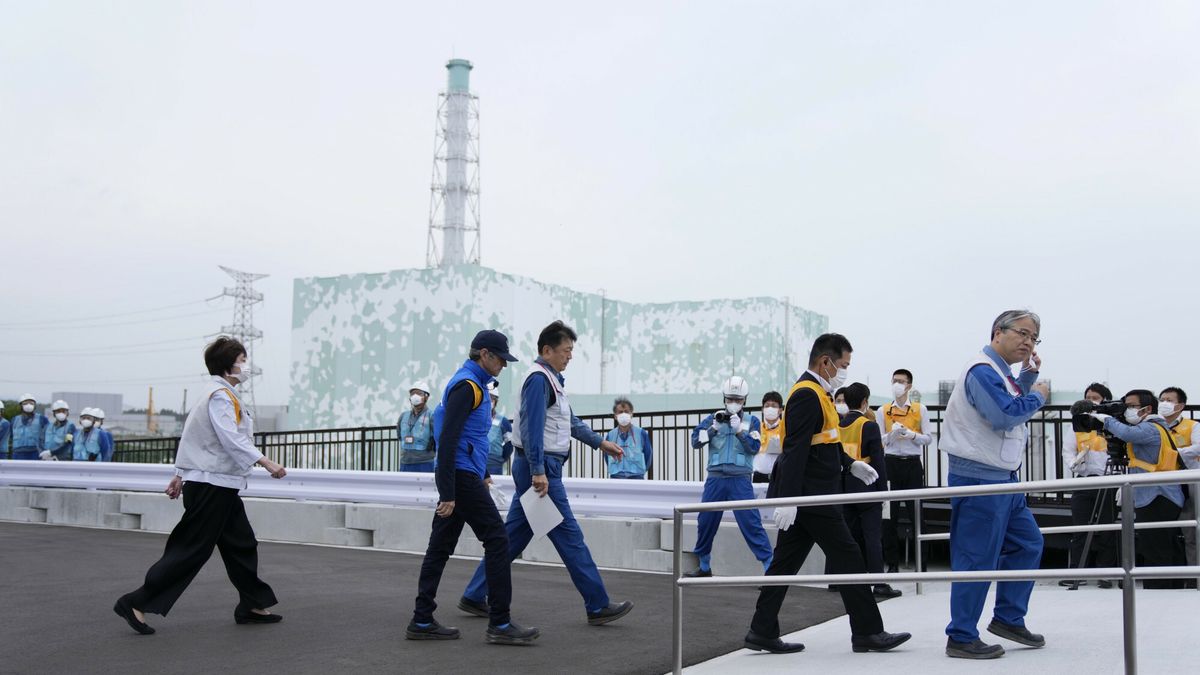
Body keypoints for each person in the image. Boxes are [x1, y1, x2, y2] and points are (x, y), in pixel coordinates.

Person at [458, 321, 633, 627]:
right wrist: (539, 470)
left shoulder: (552, 380)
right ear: (547, 350)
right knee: (569, 535)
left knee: (512, 537)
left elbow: (570, 423)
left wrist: (601, 443)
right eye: (566, 350)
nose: (570, 356)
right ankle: (597, 603)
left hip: (537, 467)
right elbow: (532, 427)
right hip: (541, 469)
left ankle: (474, 593)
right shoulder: (540, 379)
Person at [746, 333, 910, 655]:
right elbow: (794, 450)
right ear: (826, 362)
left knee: (783, 565)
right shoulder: (807, 395)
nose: (845, 372)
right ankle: (868, 631)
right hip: (812, 497)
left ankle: (761, 630)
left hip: (812, 495)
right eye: (844, 365)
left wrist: (849, 465)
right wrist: (790, 499)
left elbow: (825, 442)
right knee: (849, 557)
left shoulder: (820, 393)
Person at [114, 337, 288, 635]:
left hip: (219, 484)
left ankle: (252, 604)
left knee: (241, 543)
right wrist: (265, 461)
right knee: (191, 549)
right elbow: (229, 438)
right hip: (211, 486)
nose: (246, 365)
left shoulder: (220, 394)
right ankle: (136, 602)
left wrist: (180, 473)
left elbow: (194, 435)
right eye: (242, 359)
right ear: (228, 364)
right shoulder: (220, 395)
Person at [409, 329, 539, 645]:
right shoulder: (467, 387)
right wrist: (449, 492)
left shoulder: (473, 385)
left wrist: (479, 475)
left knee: (439, 547)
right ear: (484, 354)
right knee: (498, 539)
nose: (504, 366)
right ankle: (501, 623)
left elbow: (466, 438)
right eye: (500, 359)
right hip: (459, 477)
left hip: (465, 475)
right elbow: (449, 438)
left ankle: (422, 620)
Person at [940, 310, 1049, 659]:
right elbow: (1005, 414)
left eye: (1034, 338)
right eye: (1023, 333)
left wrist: (1028, 379)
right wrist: (1040, 396)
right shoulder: (982, 370)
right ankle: (961, 635)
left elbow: (1010, 401)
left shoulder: (1000, 373)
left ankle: (1008, 618)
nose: (1028, 342)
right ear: (997, 332)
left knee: (1028, 543)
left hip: (1005, 478)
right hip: (980, 478)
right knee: (976, 558)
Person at [1090, 389, 1187, 589]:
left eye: (1131, 406)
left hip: (1157, 495)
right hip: (1157, 494)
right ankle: (1174, 589)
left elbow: (1126, 433)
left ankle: (1159, 593)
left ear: (1147, 408)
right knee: (1165, 544)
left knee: (1155, 548)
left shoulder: (1151, 428)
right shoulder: (1153, 427)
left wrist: (1107, 420)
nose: (1127, 411)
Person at [684, 376, 772, 577]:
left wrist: (740, 431)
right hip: (715, 478)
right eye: (731, 398)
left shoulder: (752, 421)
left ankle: (769, 567)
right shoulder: (712, 418)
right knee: (706, 521)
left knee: (750, 522)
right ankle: (704, 566)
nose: (734, 403)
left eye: (738, 399)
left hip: (740, 479)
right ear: (724, 398)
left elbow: (755, 447)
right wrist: (713, 429)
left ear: (745, 400)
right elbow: (696, 442)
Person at [828, 383, 901, 599]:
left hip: (843, 487)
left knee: (846, 536)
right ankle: (878, 583)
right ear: (864, 402)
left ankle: (839, 580)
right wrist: (883, 492)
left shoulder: (838, 425)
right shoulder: (868, 425)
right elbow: (878, 461)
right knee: (872, 537)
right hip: (867, 487)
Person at [1060, 383, 1117, 588]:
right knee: (1080, 527)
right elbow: (1068, 450)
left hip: (1108, 479)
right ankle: (1077, 571)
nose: (1091, 400)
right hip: (1084, 479)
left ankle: (1107, 573)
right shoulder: (1075, 425)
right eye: (1088, 397)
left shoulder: (1111, 423)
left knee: (1107, 527)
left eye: (1096, 397)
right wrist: (1073, 464)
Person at [877, 368, 933, 574]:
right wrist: (892, 435)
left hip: (912, 464)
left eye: (901, 381)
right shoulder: (883, 411)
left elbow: (928, 438)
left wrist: (910, 435)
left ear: (909, 385)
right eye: (894, 381)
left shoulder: (920, 409)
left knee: (916, 514)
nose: (897, 385)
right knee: (889, 518)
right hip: (890, 464)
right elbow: (879, 441)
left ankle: (922, 564)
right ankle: (892, 564)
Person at [1159, 386, 1199, 581]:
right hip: (1164, 484)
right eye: (1162, 399)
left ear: (1180, 405)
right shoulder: (1155, 426)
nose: (1164, 403)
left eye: (1169, 400)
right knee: (1164, 532)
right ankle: (1170, 578)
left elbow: (1198, 448)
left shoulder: (1193, 426)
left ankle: (1194, 578)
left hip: (1190, 484)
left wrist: (1172, 454)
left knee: (1192, 533)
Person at [605, 396, 653, 479]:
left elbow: (648, 456)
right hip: (616, 476)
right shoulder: (610, 435)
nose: (623, 414)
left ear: (631, 414)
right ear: (615, 416)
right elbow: (606, 456)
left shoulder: (641, 433)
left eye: (626, 412)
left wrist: (641, 471)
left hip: (636, 477)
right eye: (620, 412)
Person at [399, 382, 435, 472]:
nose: (415, 396)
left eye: (418, 393)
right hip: (405, 463)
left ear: (426, 397)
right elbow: (399, 435)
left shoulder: (432, 415)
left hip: (425, 463)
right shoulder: (403, 416)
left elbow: (437, 437)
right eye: (412, 393)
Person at [752, 391, 785, 484]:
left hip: (780, 475)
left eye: (774, 406)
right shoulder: (756, 427)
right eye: (767, 406)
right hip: (758, 477)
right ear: (762, 409)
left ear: (780, 410)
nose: (770, 408)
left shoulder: (786, 427)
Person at [485, 384, 514, 476]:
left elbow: (509, 445)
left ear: (495, 401)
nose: (489, 401)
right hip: (476, 464)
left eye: (492, 399)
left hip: (494, 465)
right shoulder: (474, 420)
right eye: (487, 398)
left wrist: (499, 459)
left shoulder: (503, 422)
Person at [10, 394, 49, 460]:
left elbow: (48, 436)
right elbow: (11, 435)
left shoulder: (42, 419)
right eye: (25, 403)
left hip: (36, 453)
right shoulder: (14, 419)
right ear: (21, 406)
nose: (28, 405)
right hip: (17, 453)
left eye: (31, 403)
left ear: (35, 406)